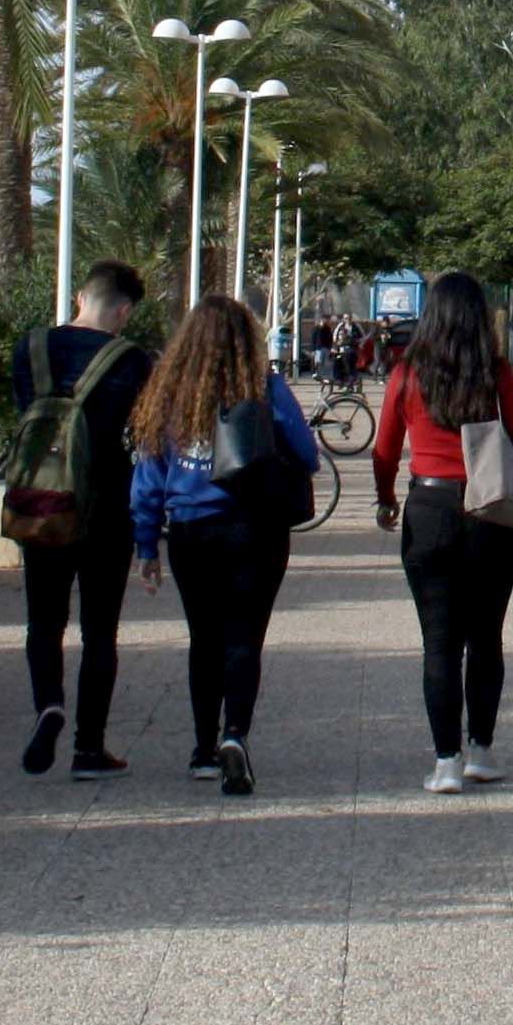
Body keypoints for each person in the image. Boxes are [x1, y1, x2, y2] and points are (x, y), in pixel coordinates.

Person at [129, 297, 318, 796]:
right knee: (244, 637)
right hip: (256, 527)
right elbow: (307, 453)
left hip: (192, 530)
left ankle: (203, 749)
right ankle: (236, 733)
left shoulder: (166, 395)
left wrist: (145, 543)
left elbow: (147, 479)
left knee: (204, 638)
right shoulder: (265, 389)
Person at [371, 272, 513, 795]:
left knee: (439, 641)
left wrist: (386, 500)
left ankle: (445, 760)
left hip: (428, 507)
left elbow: (384, 449)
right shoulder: (494, 373)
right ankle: (482, 750)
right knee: (486, 638)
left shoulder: (407, 373)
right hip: (488, 510)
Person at [8, 260, 152, 781]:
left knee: (43, 620)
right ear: (123, 310)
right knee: (99, 631)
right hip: (105, 507)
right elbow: (144, 431)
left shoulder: (31, 348)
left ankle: (48, 704)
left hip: (41, 499)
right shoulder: (130, 359)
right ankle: (89, 746)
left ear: (78, 298)